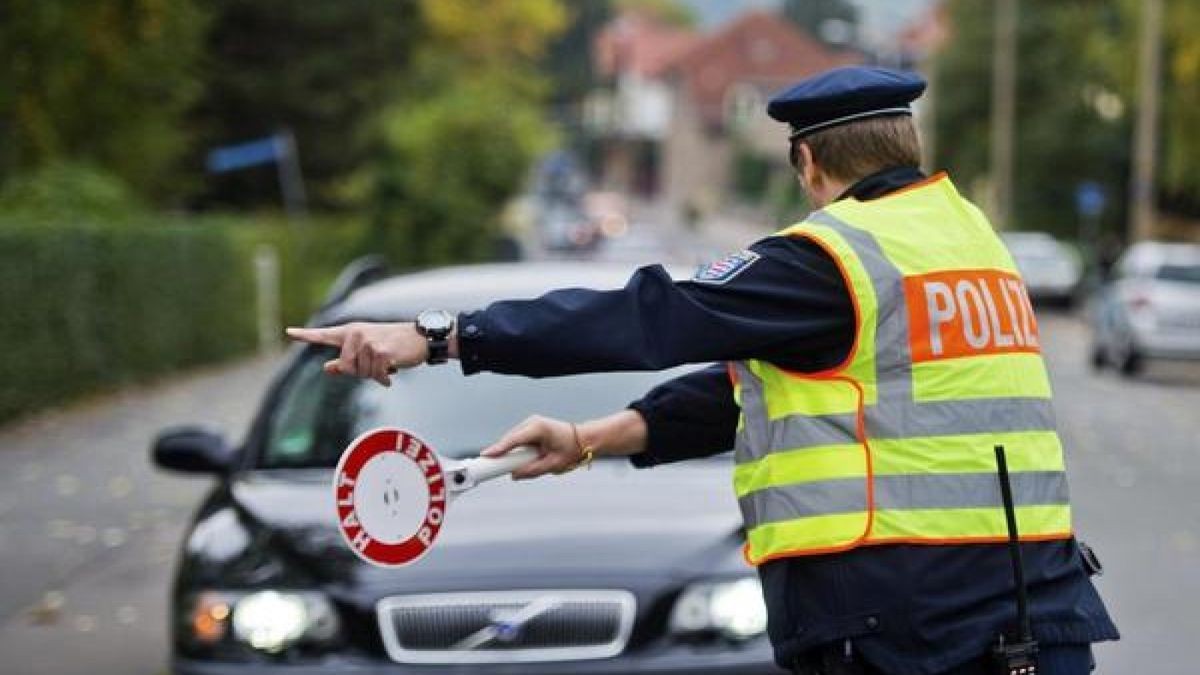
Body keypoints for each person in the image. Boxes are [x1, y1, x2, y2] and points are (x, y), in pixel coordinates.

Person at [287, 66, 1118, 675]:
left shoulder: (832, 259)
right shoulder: (974, 245)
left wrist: (438, 337)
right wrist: (587, 437)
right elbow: (754, 388)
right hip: (1034, 618)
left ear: (808, 164)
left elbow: (652, 315)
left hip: (907, 631)